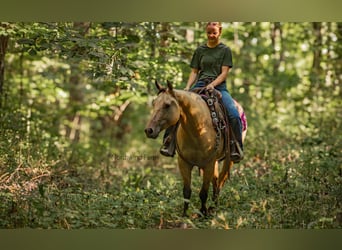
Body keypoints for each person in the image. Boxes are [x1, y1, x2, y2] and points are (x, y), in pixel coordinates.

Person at [160, 22, 244, 162]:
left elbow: (224, 74)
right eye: (209, 33)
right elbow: (194, 71)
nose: (211, 35)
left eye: (214, 33)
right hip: (199, 85)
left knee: (234, 114)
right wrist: (187, 87)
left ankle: (236, 147)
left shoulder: (225, 50)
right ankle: (169, 143)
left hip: (219, 87)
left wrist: (212, 85)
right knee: (178, 107)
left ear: (220, 32)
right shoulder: (200, 50)